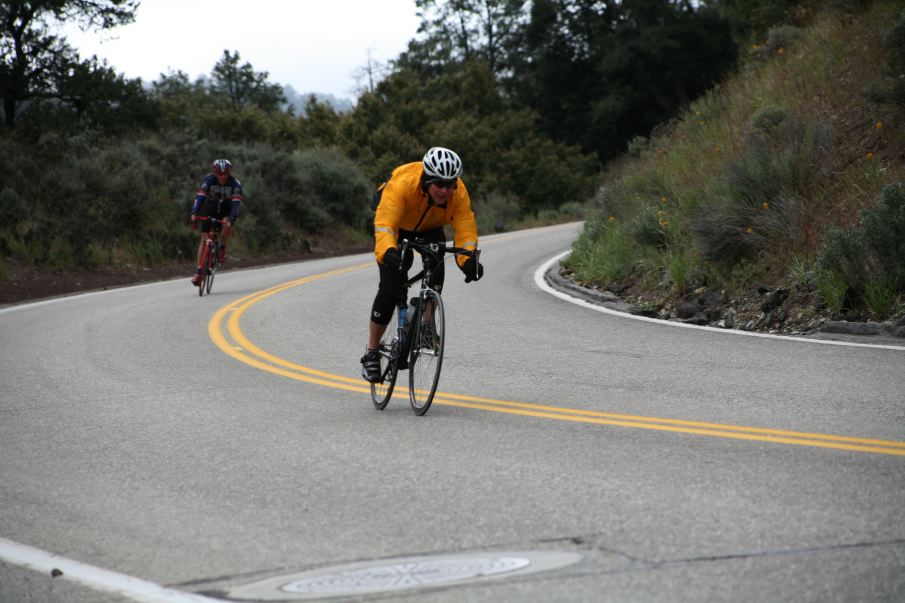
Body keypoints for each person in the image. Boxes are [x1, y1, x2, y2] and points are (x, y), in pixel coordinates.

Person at [360, 147, 484, 382]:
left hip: (429, 227)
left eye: (450, 185)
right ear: (427, 179)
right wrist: (387, 251)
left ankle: (425, 325)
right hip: (396, 224)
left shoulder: (458, 193)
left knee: (437, 270)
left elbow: (465, 227)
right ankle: (372, 353)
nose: (445, 191)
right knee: (391, 284)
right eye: (439, 184)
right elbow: (386, 225)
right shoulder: (404, 184)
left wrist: (468, 260)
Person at [190, 159, 243, 286]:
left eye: (226, 174)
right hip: (211, 208)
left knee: (227, 224)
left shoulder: (235, 184)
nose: (223, 176)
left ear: (229, 173)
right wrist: (194, 212)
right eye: (220, 173)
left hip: (226, 210)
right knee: (204, 239)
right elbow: (200, 197)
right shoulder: (208, 180)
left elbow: (236, 205)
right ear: (215, 173)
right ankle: (198, 273)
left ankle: (222, 248)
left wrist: (231, 218)